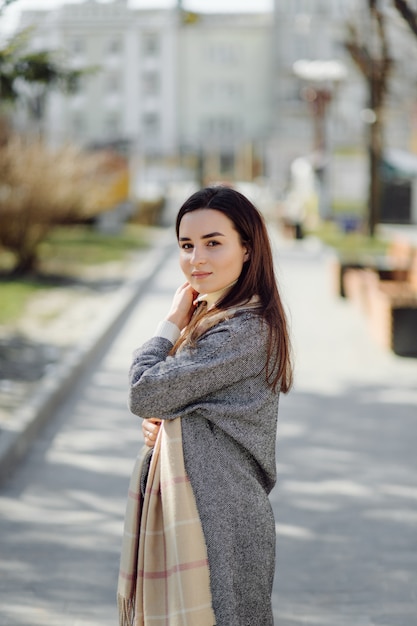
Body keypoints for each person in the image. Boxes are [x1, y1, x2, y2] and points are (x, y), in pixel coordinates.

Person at [117, 186, 293, 626]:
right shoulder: (217, 319)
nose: (197, 258)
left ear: (248, 248)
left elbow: (144, 390)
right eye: (186, 245)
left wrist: (168, 325)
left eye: (214, 243)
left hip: (221, 517)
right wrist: (169, 423)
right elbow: (166, 401)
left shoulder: (245, 330)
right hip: (203, 506)